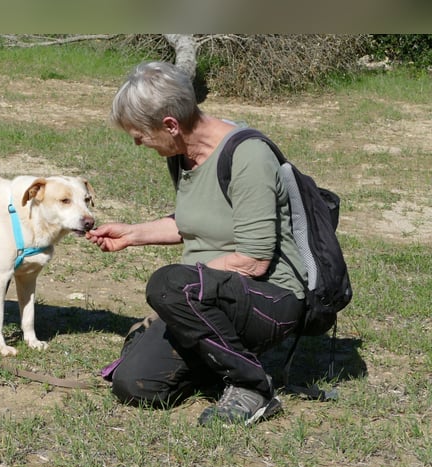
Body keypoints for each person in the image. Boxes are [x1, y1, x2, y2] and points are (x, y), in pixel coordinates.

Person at [86, 61, 307, 426]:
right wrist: (132, 234)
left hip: (271, 299)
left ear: (170, 124)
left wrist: (181, 290)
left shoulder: (248, 155)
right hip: (206, 292)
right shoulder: (182, 154)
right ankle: (217, 360)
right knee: (135, 384)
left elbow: (254, 261)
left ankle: (253, 386)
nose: (137, 142)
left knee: (168, 284)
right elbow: (194, 223)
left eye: (140, 133)